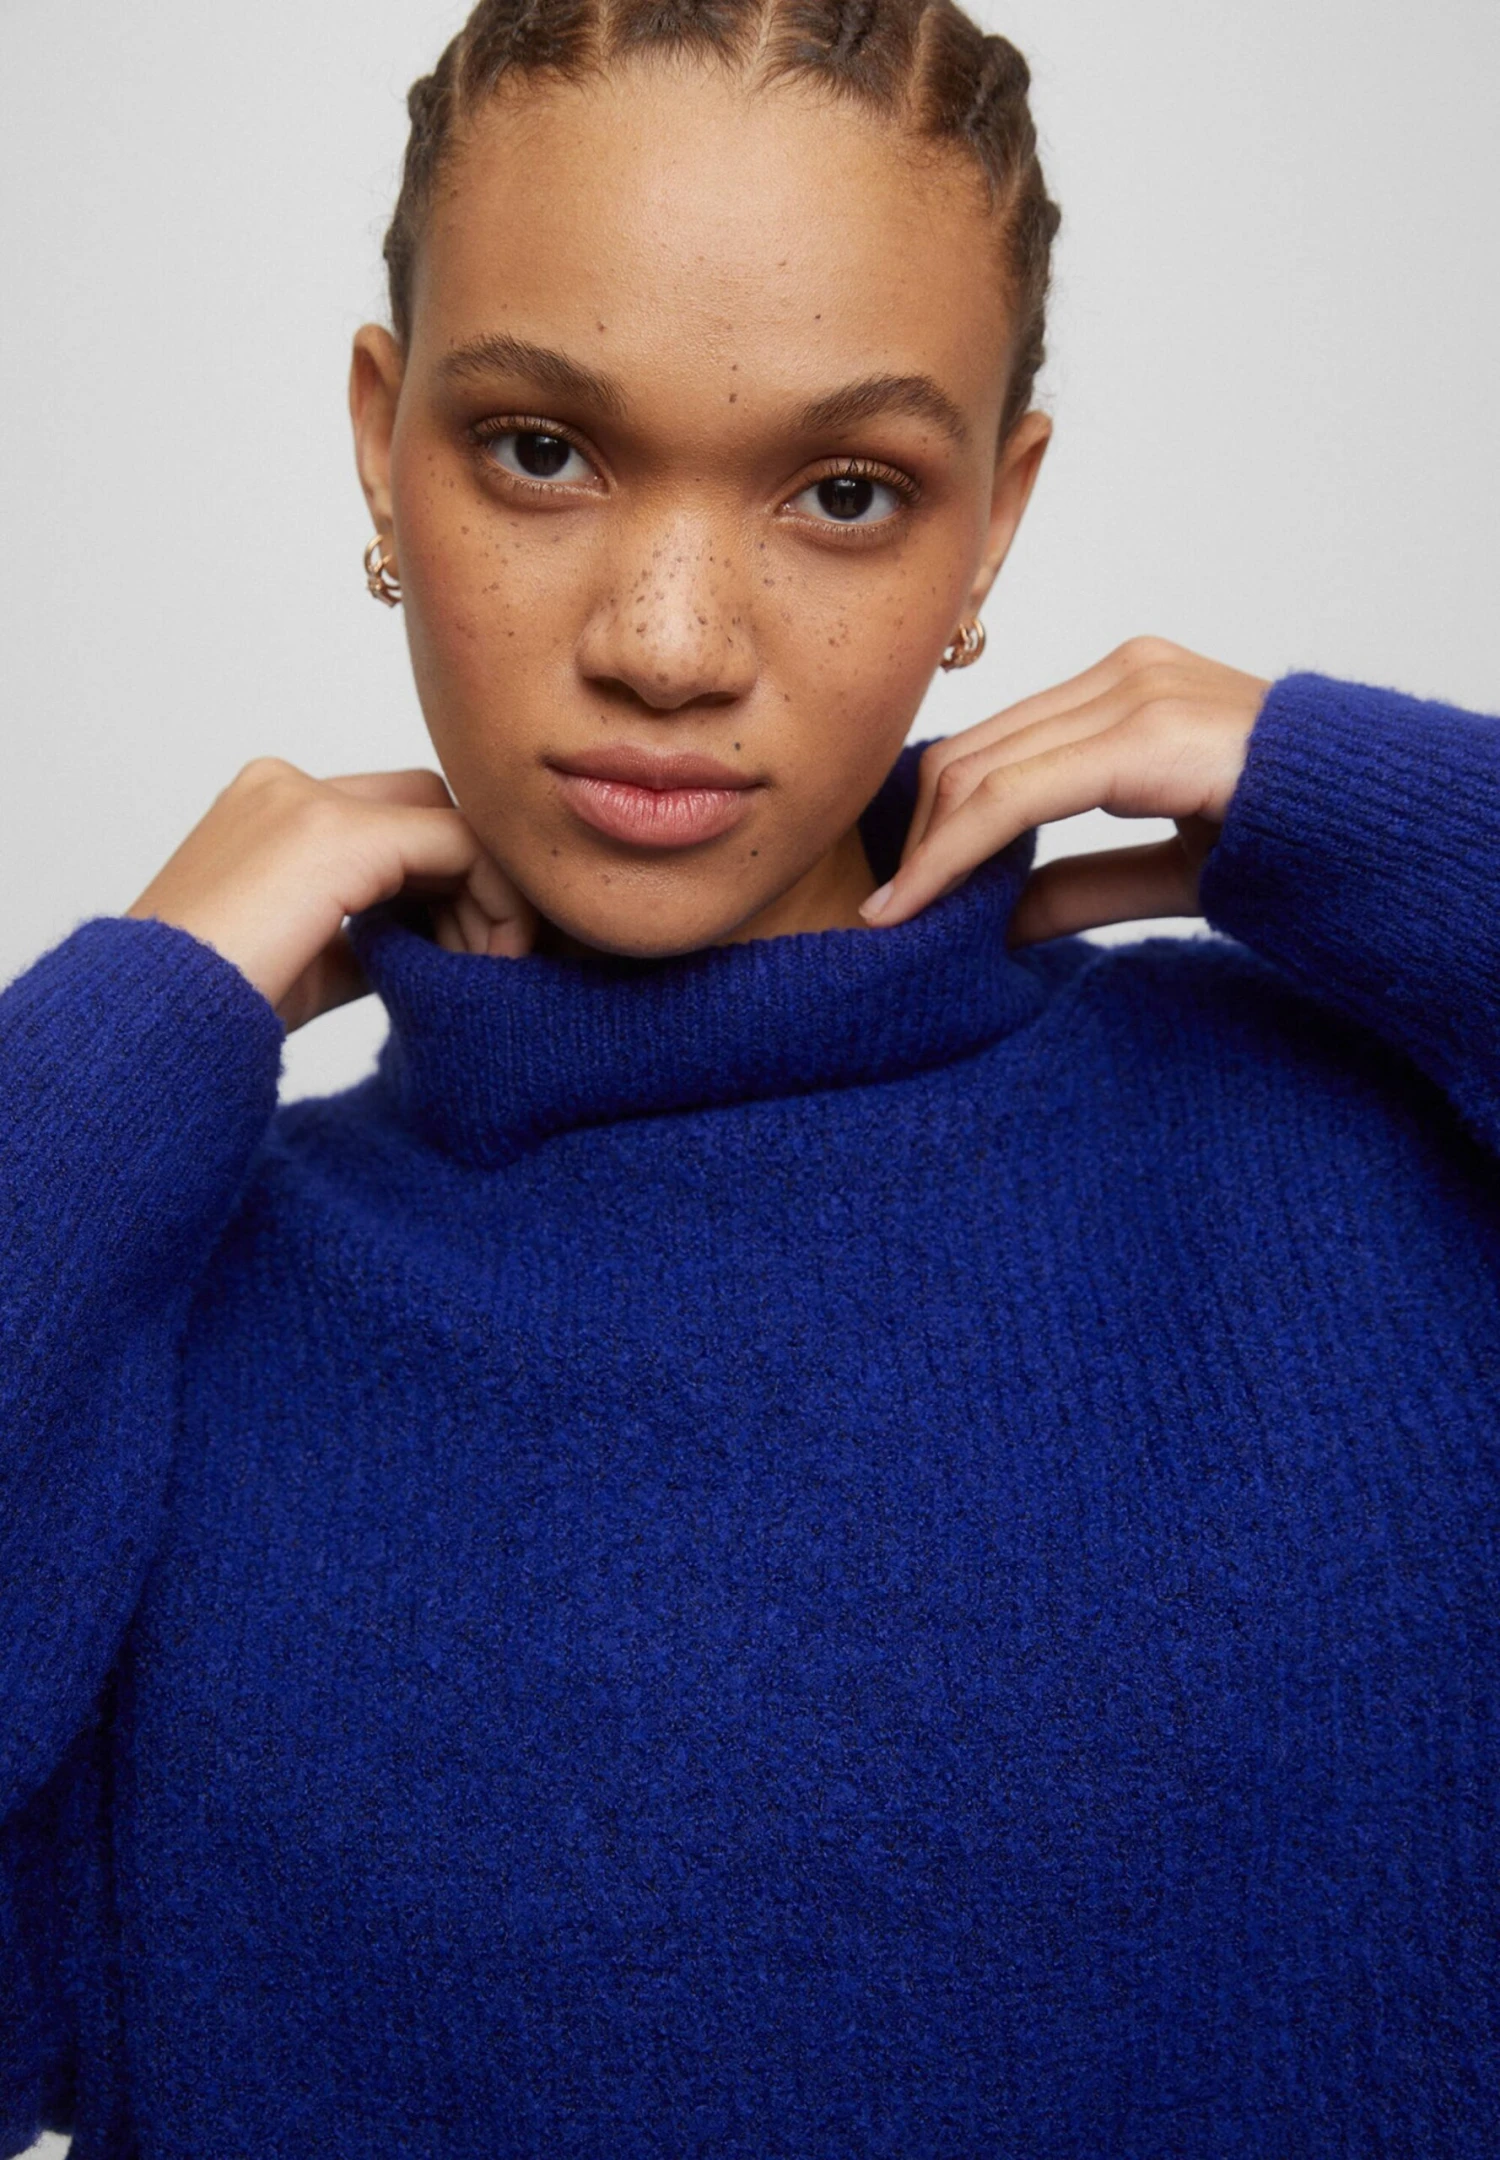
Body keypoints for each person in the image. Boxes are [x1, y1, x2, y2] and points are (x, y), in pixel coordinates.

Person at [1, 0, 1495, 2150]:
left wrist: (1379, 811)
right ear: (382, 441)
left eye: (846, 491)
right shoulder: (155, 1325)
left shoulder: (1373, 1154)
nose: (672, 643)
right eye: (540, 449)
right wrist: (124, 1036)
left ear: (994, 521)